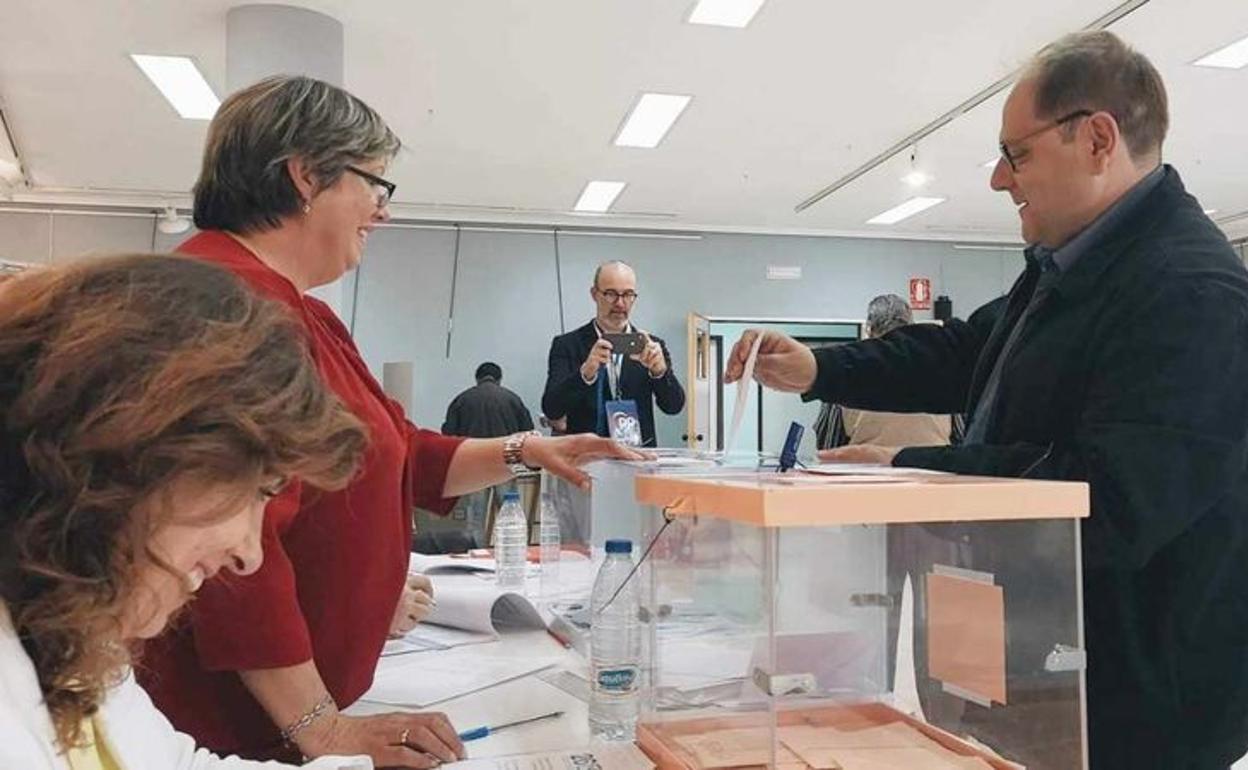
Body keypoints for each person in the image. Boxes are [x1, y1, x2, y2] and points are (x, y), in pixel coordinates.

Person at [726, 31, 1248, 768]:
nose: (1000, 180)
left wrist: (911, 472)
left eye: (1017, 154)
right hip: (1038, 681)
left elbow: (1112, 499)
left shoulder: (1190, 292)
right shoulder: (1070, 266)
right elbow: (965, 351)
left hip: (1133, 712)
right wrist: (818, 368)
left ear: (1098, 139)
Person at [139, 76, 644, 768]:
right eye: (374, 185)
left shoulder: (304, 312)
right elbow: (228, 546)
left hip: (287, 716)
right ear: (306, 176)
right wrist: (321, 728)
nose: (383, 211)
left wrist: (529, 449)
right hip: (239, 731)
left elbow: (397, 450)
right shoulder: (226, 309)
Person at [0, 254, 371, 768]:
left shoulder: (67, 631)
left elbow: (174, 764)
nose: (249, 554)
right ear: (130, 450)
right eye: (255, 490)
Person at [541, 261, 685, 448]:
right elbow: (552, 409)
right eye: (611, 294)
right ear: (594, 294)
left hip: (637, 457)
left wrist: (660, 373)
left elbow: (673, 407)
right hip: (586, 456)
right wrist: (585, 374)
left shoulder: (650, 346)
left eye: (628, 294)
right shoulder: (567, 345)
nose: (620, 303)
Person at [811, 294, 962, 450]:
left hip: (867, 465)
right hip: (930, 464)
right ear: (912, 327)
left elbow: (828, 443)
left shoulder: (846, 373)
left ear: (869, 329)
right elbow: (963, 436)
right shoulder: (943, 370)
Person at [441, 362, 534, 438]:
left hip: (471, 452)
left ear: (477, 379)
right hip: (504, 452)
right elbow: (528, 432)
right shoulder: (514, 400)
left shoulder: (461, 400)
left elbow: (448, 433)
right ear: (499, 379)